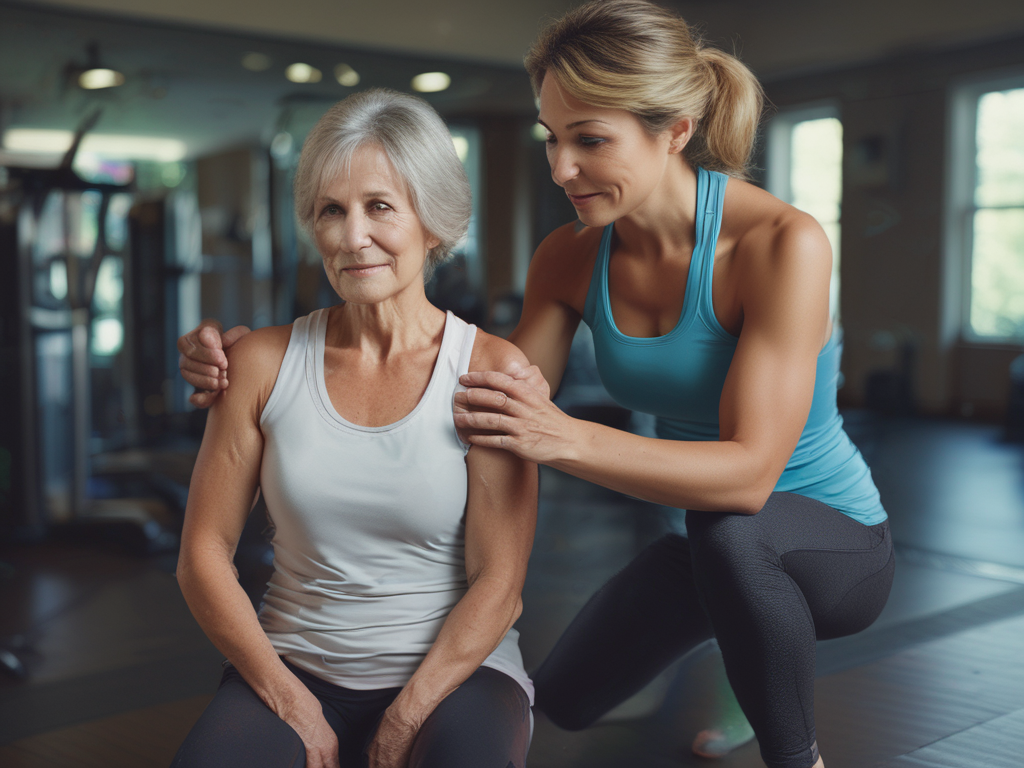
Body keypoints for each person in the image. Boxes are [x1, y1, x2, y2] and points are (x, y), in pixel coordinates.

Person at [179, 3, 895, 767]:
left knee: (733, 536)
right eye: (552, 138)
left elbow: (750, 478)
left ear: (676, 130)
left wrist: (561, 435)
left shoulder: (782, 244)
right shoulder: (571, 255)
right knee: (561, 701)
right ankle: (743, 643)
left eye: (590, 140)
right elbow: (487, 392)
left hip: (825, 540)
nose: (561, 167)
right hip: (698, 545)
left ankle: (794, 749)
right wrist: (261, 362)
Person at [172, 89, 537, 768]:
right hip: (295, 665)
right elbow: (202, 556)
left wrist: (401, 721)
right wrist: (294, 705)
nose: (351, 237)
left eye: (379, 207)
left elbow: (499, 585)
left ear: (433, 222)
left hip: (459, 672)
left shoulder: (487, 369)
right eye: (330, 212)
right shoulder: (259, 363)